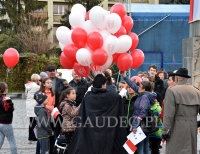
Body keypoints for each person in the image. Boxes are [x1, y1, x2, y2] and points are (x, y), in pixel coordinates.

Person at [68, 74, 127, 154]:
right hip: (108, 128)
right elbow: (118, 101)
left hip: (91, 128)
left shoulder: (88, 96)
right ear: (103, 84)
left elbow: (83, 112)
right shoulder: (112, 96)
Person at [162, 68, 200, 154]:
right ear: (186, 78)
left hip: (176, 127)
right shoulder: (197, 92)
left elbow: (168, 114)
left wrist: (165, 131)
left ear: (177, 78)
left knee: (175, 150)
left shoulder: (172, 90)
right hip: (192, 127)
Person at [121, 71, 155, 154]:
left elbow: (142, 112)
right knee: (145, 147)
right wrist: (124, 76)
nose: (138, 87)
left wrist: (135, 126)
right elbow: (132, 85)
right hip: (144, 124)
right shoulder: (143, 94)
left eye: (140, 86)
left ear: (144, 88)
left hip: (140, 124)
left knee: (140, 148)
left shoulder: (144, 97)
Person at [59, 88, 81, 154]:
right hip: (69, 128)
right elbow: (73, 114)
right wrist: (81, 105)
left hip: (72, 127)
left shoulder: (71, 103)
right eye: (73, 93)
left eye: (75, 93)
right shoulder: (66, 105)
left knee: (72, 146)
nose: (75, 95)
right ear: (67, 95)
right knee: (70, 146)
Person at [0, 82, 17, 154]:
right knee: (12, 140)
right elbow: (9, 109)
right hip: (6, 123)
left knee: (0, 140)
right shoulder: (7, 99)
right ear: (5, 89)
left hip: (0, 122)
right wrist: (12, 106)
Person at [25, 74, 41, 144]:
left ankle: (30, 137)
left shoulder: (28, 85)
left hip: (28, 104)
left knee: (31, 122)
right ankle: (33, 136)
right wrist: (40, 84)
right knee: (34, 122)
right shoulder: (36, 86)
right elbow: (41, 89)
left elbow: (26, 95)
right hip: (33, 105)